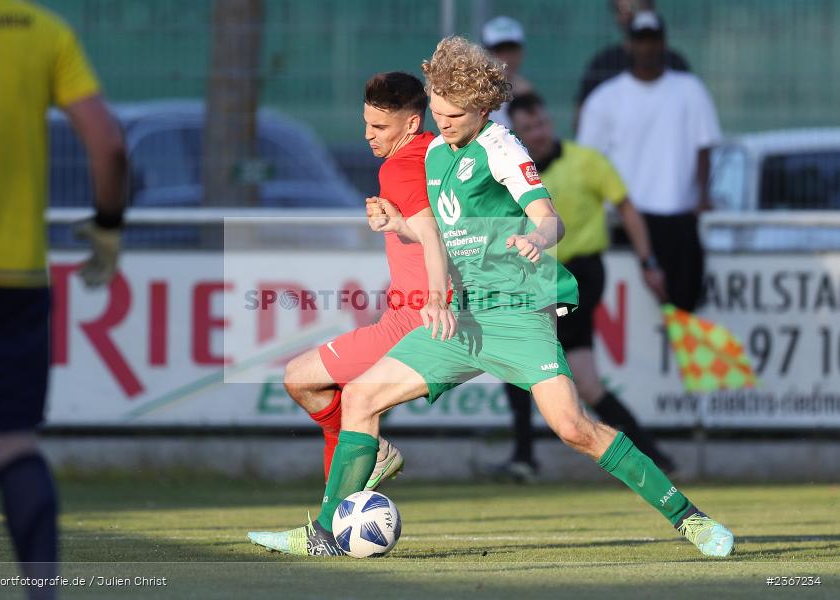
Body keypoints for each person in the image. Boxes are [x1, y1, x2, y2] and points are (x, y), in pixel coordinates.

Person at [248, 36, 734, 559]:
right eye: (437, 111)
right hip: (461, 319)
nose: (443, 123)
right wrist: (399, 227)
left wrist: (537, 238)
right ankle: (325, 536)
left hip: (516, 314)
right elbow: (444, 233)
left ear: (482, 108)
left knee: (573, 428)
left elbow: (549, 217)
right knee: (362, 398)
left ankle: (690, 518)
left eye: (454, 115)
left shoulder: (501, 147)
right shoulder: (438, 153)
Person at [0, 1, 126, 597]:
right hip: (14, 279)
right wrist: (108, 226)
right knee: (13, 445)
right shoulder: (45, 33)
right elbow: (108, 143)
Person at [281, 71, 453, 488]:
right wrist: (395, 222)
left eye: (379, 126)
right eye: (366, 123)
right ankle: (350, 485)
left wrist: (434, 295)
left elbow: (432, 233)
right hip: (428, 315)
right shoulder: (436, 153)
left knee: (300, 379)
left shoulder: (399, 168)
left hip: (414, 321)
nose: (368, 135)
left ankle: (360, 468)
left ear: (411, 123)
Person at [494, 92, 674, 482]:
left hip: (579, 275)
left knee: (518, 356)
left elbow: (626, 208)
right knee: (588, 383)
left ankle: (524, 457)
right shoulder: (512, 171)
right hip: (539, 275)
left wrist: (648, 261)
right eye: (528, 128)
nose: (539, 133)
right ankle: (655, 458)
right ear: (516, 134)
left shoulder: (586, 161)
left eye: (542, 124)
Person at [577, 11, 721, 312]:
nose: (647, 47)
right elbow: (588, 163)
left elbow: (704, 147)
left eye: (653, 39)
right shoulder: (605, 99)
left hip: (680, 217)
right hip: (625, 221)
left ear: (664, 43)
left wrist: (702, 196)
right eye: (641, 40)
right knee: (635, 311)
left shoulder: (690, 89)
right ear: (628, 45)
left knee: (683, 306)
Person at [575, 0, 691, 119]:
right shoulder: (602, 65)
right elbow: (581, 118)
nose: (627, 14)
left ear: (650, 8)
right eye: (620, 9)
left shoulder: (676, 65)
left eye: (633, 7)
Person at [482, 15, 534, 130]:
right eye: (500, 50)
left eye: (512, 49)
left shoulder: (526, 93)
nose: (507, 57)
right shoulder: (473, 93)